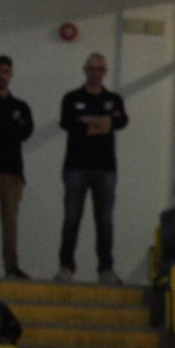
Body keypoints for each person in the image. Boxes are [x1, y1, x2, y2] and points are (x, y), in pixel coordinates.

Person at [57, 53, 129, 284]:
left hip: (105, 168)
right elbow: (68, 122)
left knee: (105, 220)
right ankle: (66, 267)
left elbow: (120, 121)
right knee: (71, 218)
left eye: (100, 69)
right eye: (92, 69)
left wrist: (87, 121)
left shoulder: (113, 98)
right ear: (85, 70)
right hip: (76, 167)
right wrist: (102, 123)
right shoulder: (72, 97)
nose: (96, 73)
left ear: (104, 72)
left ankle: (105, 269)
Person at [0, 54, 33, 280]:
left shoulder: (20, 106)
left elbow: (25, 132)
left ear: (11, 75)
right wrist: (6, 128)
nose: (2, 77)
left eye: (6, 72)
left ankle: (11, 268)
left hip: (12, 175)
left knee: (10, 224)